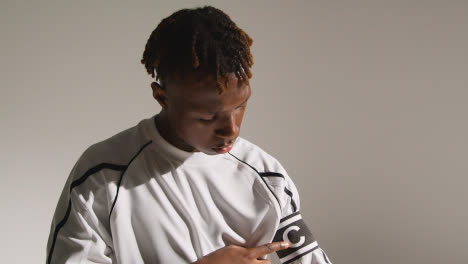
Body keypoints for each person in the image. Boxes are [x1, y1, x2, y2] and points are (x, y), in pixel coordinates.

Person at [46, 6, 332, 264]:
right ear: (162, 97)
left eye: (242, 105)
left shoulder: (267, 177)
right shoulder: (102, 176)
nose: (231, 129)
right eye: (207, 116)